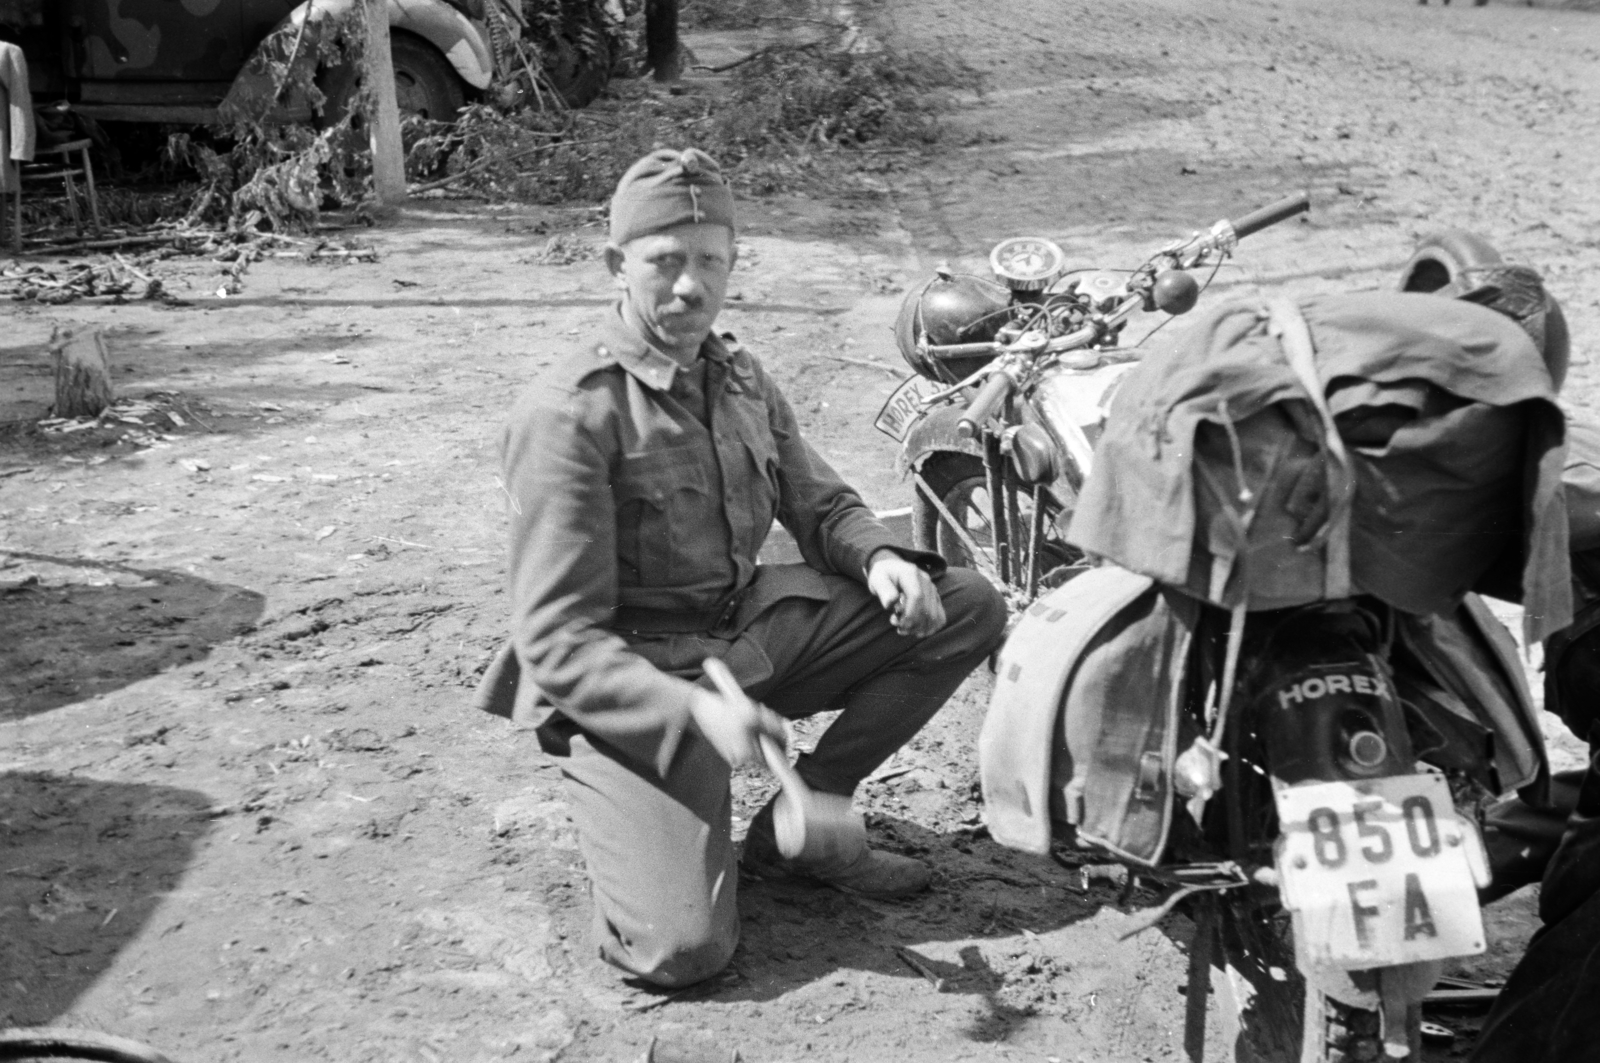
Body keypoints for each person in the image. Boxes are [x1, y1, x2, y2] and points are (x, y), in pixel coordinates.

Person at [474, 147, 1007, 989]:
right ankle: (649, 819)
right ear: (618, 265)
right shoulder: (570, 414)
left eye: (711, 261)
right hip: (635, 681)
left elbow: (821, 503)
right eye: (666, 262)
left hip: (746, 637)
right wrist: (690, 713)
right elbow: (555, 640)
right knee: (681, 951)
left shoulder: (741, 375)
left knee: (964, 602)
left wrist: (877, 560)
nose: (691, 286)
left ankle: (802, 824)